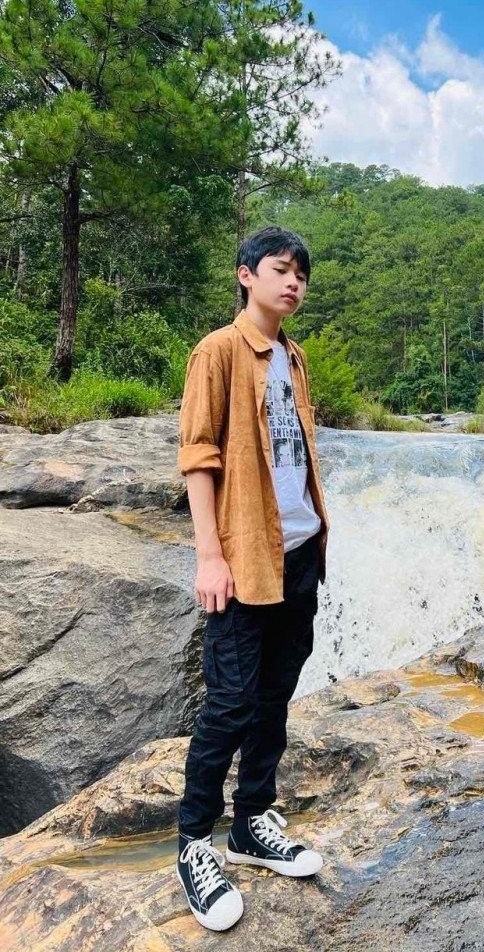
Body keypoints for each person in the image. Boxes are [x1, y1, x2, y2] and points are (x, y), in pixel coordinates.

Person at [174, 226, 330, 931]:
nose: (293, 282)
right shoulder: (217, 352)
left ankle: (251, 822)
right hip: (243, 561)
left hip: (299, 553)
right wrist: (209, 556)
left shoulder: (294, 357)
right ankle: (194, 842)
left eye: (301, 274)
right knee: (230, 704)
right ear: (246, 275)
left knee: (273, 697)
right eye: (280, 269)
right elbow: (198, 457)